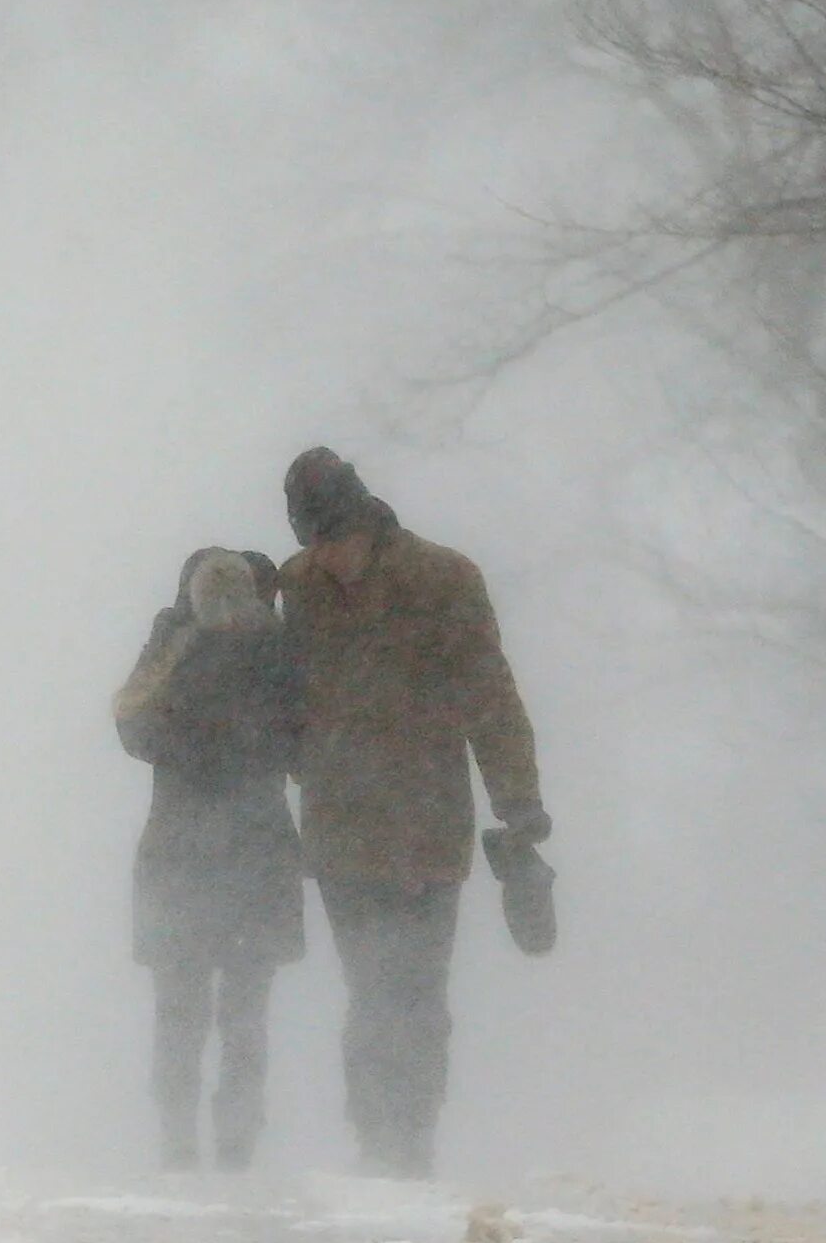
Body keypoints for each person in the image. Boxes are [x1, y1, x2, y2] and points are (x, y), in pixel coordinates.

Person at [276, 447, 547, 1177]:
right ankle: (374, 1139)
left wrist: (520, 807)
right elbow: (282, 694)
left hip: (426, 821)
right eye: (312, 542)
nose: (326, 556)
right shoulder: (296, 586)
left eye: (333, 538)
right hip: (338, 826)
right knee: (370, 987)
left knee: (419, 991)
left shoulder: (443, 580)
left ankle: (414, 1139)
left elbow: (491, 698)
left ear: (363, 519)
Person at [115, 547, 304, 1170]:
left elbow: (131, 724)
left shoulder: (178, 651)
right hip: (258, 849)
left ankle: (178, 1134)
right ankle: (237, 1136)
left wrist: (173, 639)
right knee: (246, 1007)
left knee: (179, 1005)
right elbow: (301, 737)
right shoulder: (277, 652)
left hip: (179, 848)